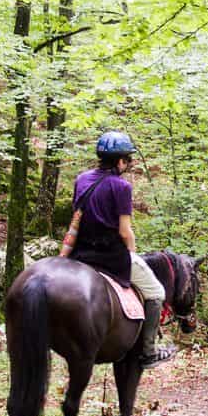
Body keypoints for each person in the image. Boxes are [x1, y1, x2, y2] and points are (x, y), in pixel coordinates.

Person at [68, 131, 176, 369]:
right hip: (110, 256)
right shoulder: (121, 186)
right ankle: (148, 352)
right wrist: (131, 253)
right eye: (127, 159)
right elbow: (125, 231)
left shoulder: (82, 179)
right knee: (156, 292)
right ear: (120, 161)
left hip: (80, 254)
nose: (128, 164)